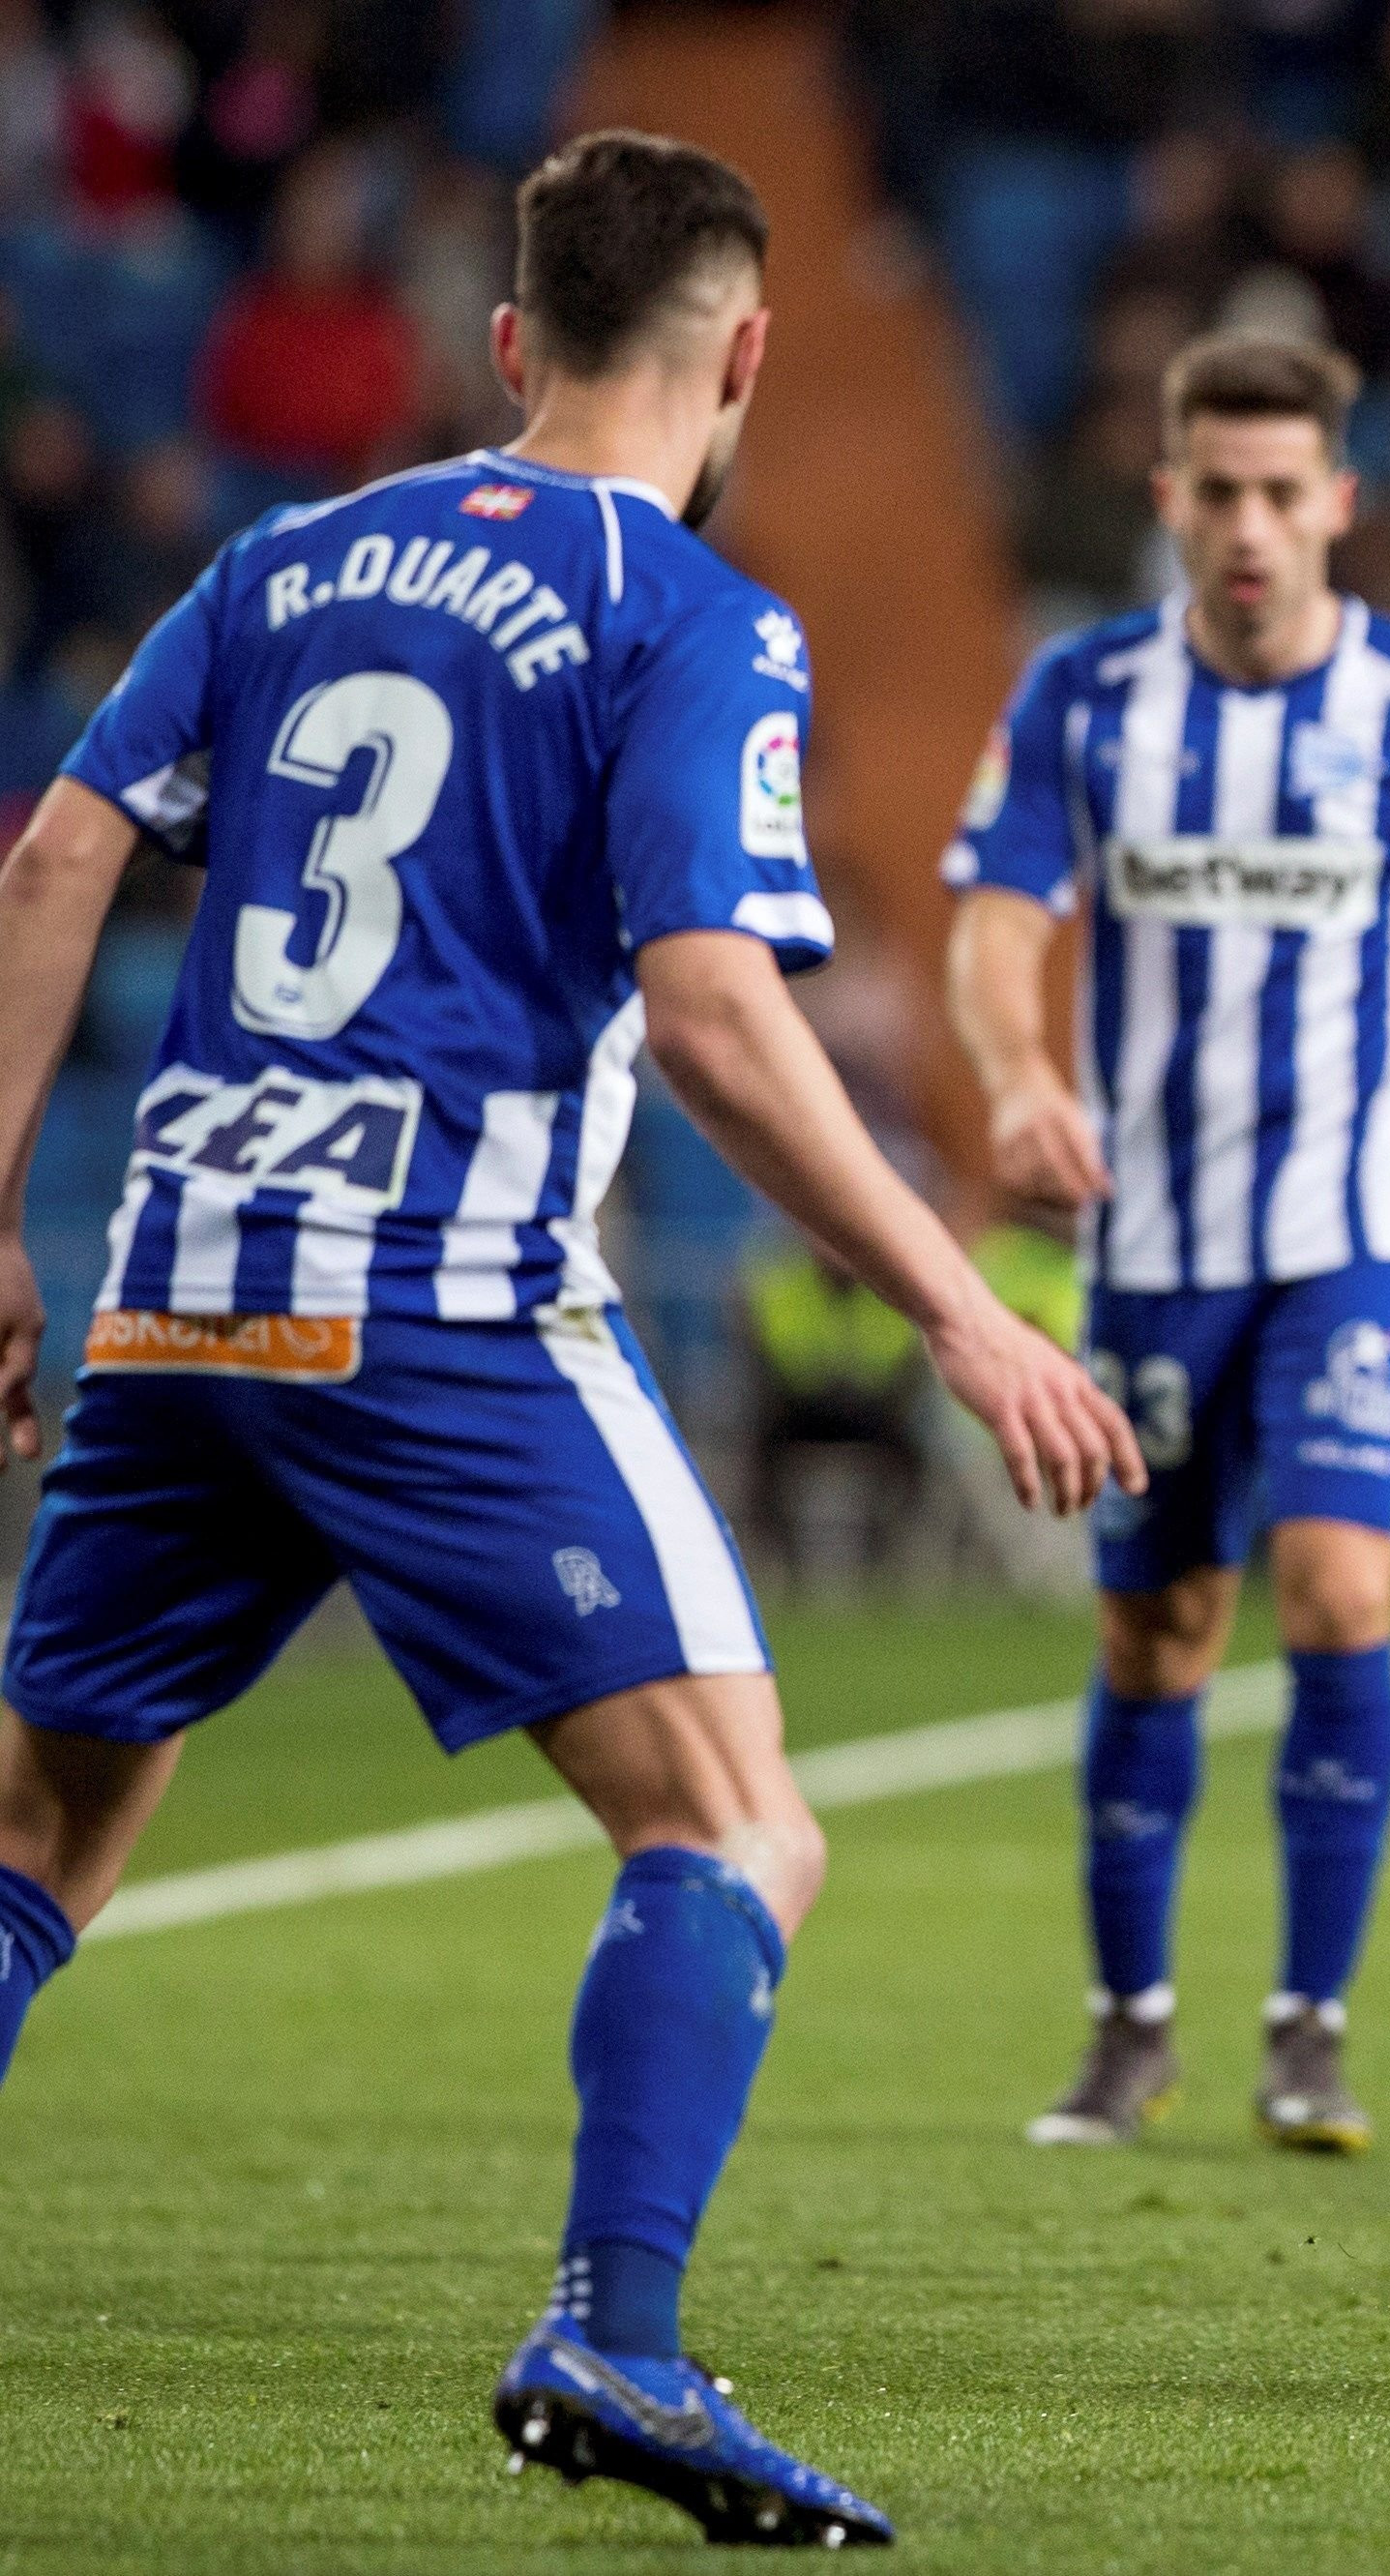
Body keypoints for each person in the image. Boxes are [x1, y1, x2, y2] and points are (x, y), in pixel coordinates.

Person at [0, 132, 1141, 2547]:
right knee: (736, 1827)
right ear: (747, 354)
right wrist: (956, 1305)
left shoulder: (283, 558)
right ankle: (615, 2334)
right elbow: (719, 1019)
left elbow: (56, 856)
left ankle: (617, 2330)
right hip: (433, 1299)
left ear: (510, 341)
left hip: (181, 1276)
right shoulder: (689, 611)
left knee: (38, 1838)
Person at [942, 331, 1390, 2158]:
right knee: (1156, 1628)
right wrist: (1020, 1073)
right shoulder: (1083, 697)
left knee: (1341, 1589)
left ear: (1340, 501)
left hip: (1364, 1215)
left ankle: (1309, 2026)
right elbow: (991, 922)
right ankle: (1130, 2028)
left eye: (1288, 492)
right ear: (1169, 501)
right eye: (1221, 493)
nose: (1254, 528)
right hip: (1160, 1234)